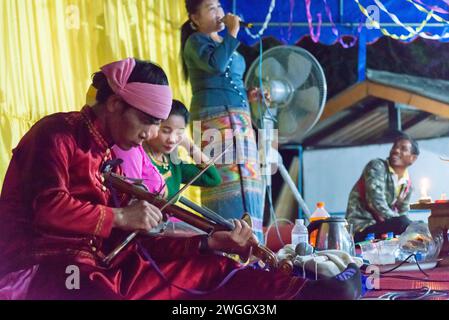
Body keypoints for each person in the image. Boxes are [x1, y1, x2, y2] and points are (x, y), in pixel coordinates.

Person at [0, 57, 362, 300]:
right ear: (114, 103)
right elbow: (47, 207)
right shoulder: (57, 133)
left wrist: (207, 244)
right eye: (147, 121)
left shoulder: (111, 156)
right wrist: (122, 217)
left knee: (210, 268)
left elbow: (138, 238)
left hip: (107, 261)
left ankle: (296, 290)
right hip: (46, 265)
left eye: (157, 125)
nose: (150, 134)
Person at [181, 0, 268, 242]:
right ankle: (229, 243)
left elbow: (232, 80)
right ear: (194, 18)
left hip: (240, 119)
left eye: (219, 7)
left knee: (248, 179)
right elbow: (216, 65)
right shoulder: (195, 42)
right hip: (213, 119)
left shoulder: (228, 46)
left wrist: (252, 96)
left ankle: (254, 243)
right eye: (210, 8)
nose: (219, 13)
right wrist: (231, 32)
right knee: (225, 182)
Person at [346, 134, 419, 243]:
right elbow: (376, 202)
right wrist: (402, 223)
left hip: (382, 228)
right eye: (395, 146)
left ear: (413, 158)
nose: (396, 150)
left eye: (403, 148)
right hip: (360, 228)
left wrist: (407, 225)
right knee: (404, 223)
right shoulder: (377, 166)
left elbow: (403, 212)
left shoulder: (407, 184)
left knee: (416, 226)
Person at [143, 99, 222, 200]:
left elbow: (213, 179)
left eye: (179, 133)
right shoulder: (139, 156)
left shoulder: (174, 164)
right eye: (165, 131)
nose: (172, 139)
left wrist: (189, 145)